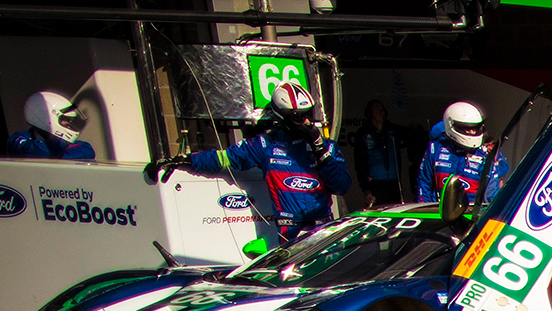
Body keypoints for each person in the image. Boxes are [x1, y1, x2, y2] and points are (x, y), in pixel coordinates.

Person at [154, 82, 351, 238]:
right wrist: (184, 161)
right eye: (300, 117)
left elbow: (342, 187)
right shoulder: (265, 144)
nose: (307, 121)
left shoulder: (328, 145)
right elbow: (224, 158)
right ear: (282, 117)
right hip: (290, 234)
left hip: (323, 230)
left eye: (309, 113)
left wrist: (320, 151)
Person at [418, 101, 508, 206]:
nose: (472, 132)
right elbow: (424, 185)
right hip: (438, 213)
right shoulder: (435, 149)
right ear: (452, 125)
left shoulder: (484, 155)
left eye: (474, 128)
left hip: (470, 215)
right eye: (467, 128)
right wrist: (428, 213)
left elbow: (492, 196)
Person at [8, 90, 94, 159]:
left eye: (69, 120)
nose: (68, 124)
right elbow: (44, 151)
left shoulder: (65, 143)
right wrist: (58, 153)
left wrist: (56, 156)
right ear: (46, 117)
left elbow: (87, 150)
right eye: (64, 119)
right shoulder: (16, 140)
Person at [353, 100, 404, 205]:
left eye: (382, 110)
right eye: (376, 110)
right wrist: (365, 189)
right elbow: (359, 164)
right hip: (375, 185)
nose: (381, 113)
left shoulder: (393, 130)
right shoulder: (363, 133)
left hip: (394, 183)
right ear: (369, 114)